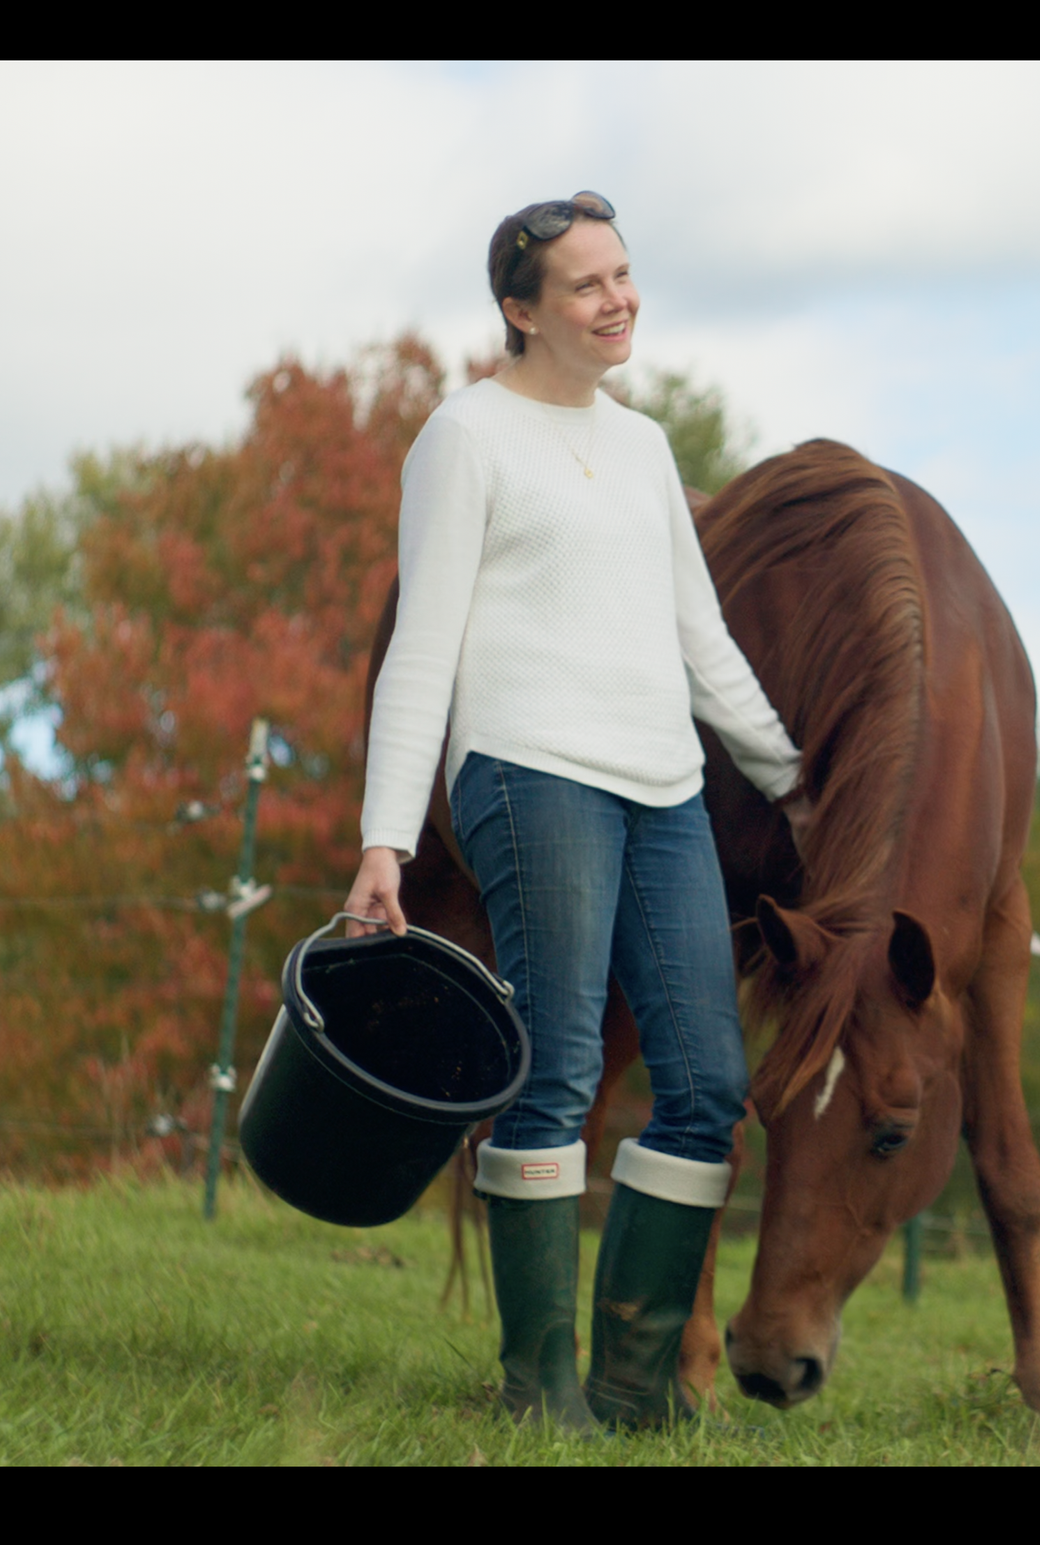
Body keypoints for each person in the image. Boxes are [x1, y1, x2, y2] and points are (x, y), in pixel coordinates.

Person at [345, 191, 807, 1431]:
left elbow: (703, 646)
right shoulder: (466, 437)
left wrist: (794, 785)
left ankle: (631, 1395)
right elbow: (422, 649)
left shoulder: (648, 447)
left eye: (623, 275)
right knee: (554, 1075)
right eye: (586, 286)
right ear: (521, 311)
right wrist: (386, 839)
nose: (618, 300)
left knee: (707, 1082)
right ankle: (540, 1391)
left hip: (663, 787)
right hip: (525, 767)